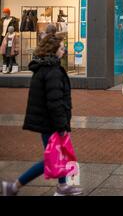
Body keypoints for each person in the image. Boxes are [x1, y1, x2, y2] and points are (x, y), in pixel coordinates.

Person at [1, 34, 83, 196]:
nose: (64, 50)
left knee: (60, 154)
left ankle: (62, 186)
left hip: (46, 120)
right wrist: (61, 126)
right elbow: (55, 102)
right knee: (52, 158)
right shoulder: (52, 71)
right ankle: (13, 186)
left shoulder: (44, 68)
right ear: (53, 50)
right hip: (50, 122)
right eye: (61, 48)